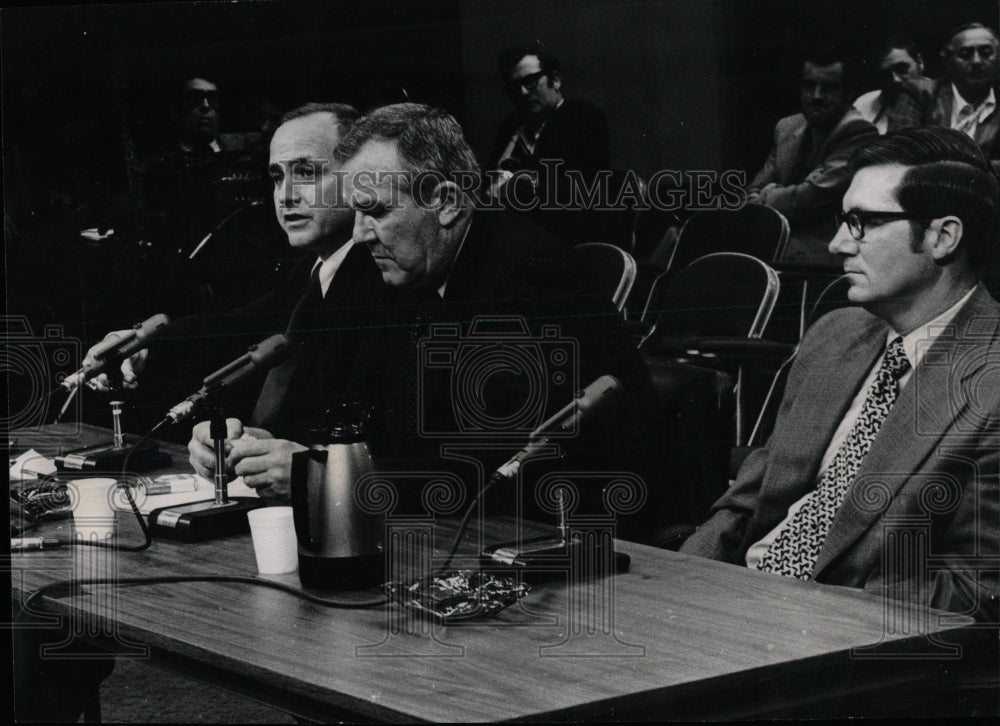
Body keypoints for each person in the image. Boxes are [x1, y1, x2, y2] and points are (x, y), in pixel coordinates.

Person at [193, 102, 673, 543]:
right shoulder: (414, 272)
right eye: (357, 213)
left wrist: (315, 472)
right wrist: (262, 447)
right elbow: (370, 415)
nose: (359, 236)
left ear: (446, 202)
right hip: (463, 535)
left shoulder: (528, 278)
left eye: (376, 211)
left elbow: (483, 466)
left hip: (584, 545)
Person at [682, 127, 1000, 620]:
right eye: (841, 220)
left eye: (862, 223)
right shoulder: (834, 335)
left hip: (842, 641)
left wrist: (802, 609)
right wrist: (677, 590)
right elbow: (744, 507)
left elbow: (977, 591)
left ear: (943, 236)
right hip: (732, 602)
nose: (836, 245)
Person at [89, 103, 386, 466]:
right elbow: (239, 325)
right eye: (277, 176)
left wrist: (298, 458)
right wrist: (145, 347)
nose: (285, 195)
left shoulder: (384, 272)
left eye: (307, 172)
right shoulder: (316, 267)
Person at [746, 49, 878, 265]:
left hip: (823, 257)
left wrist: (768, 193)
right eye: (809, 86)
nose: (816, 96)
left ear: (848, 92)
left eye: (828, 88)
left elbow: (805, 200)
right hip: (777, 248)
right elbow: (752, 191)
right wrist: (768, 195)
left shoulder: (858, 132)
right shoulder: (787, 126)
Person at [487, 44, 613, 245]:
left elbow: (579, 191)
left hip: (563, 236)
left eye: (530, 82)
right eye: (513, 87)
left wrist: (511, 188)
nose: (522, 92)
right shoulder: (509, 127)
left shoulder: (583, 116)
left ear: (555, 80)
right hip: (509, 235)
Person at [919, 23, 1000, 159]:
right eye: (965, 54)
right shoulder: (921, 94)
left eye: (986, 53)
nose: (976, 61)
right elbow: (899, 153)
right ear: (950, 61)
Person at [853, 36, 932, 134]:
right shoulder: (864, 103)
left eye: (901, 68)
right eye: (885, 74)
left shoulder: (942, 101)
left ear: (920, 62)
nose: (895, 79)